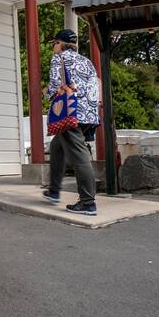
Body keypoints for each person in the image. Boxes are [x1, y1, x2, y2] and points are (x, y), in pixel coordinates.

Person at [42, 29, 99, 215]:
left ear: (61, 44)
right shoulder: (86, 61)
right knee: (58, 146)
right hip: (89, 113)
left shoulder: (59, 59)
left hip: (70, 112)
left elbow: (55, 87)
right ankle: (53, 191)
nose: (53, 47)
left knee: (80, 155)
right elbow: (94, 85)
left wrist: (46, 93)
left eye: (54, 43)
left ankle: (88, 202)